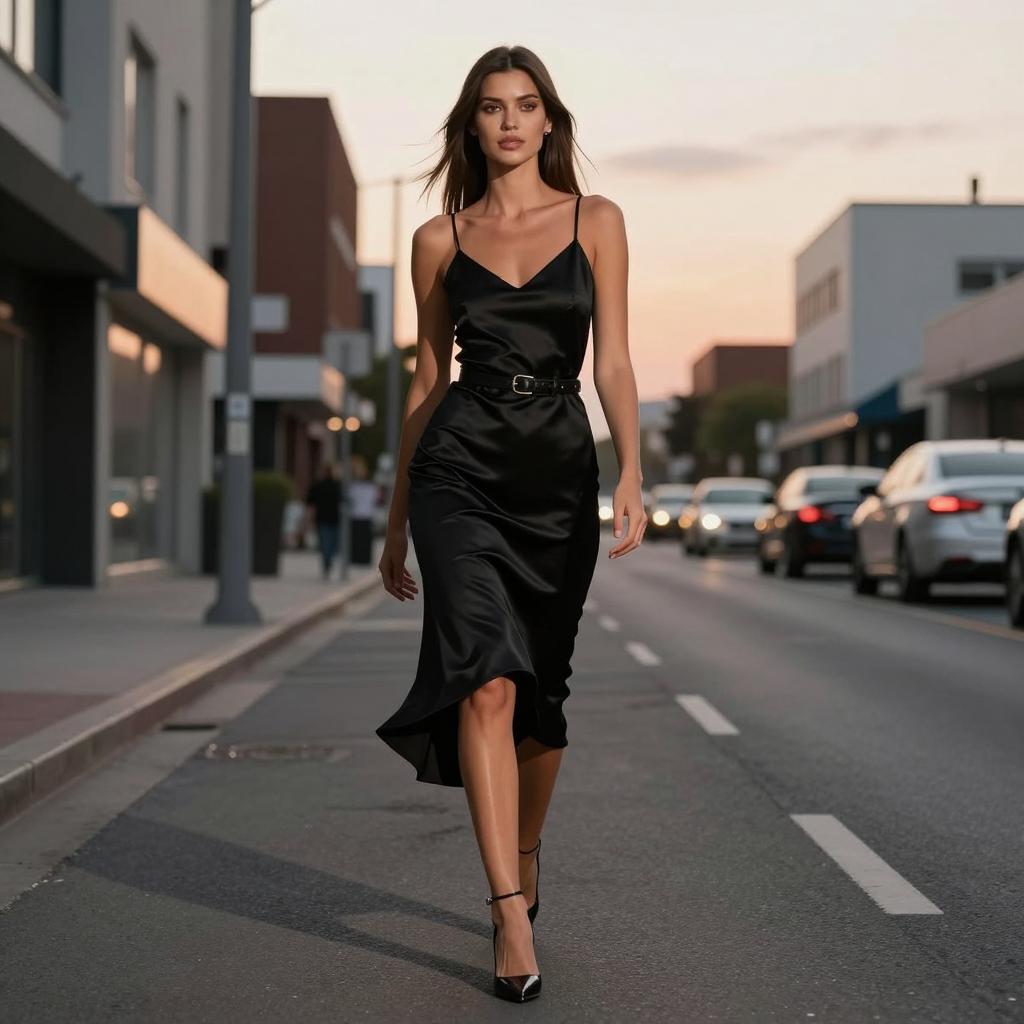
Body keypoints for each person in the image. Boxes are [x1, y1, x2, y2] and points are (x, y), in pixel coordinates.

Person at [375, 45, 646, 1004]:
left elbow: (611, 361)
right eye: (493, 108)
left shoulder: (598, 221)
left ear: (548, 120)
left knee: (544, 696)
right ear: (474, 123)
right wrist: (398, 515)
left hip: (558, 472)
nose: (510, 123)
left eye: (526, 106)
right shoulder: (438, 240)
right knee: (484, 681)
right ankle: (506, 910)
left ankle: (527, 850)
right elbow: (424, 382)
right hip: (460, 465)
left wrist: (633, 475)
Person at [305, 461, 342, 579]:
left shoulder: (318, 485)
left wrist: (310, 519)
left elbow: (310, 504)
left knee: (326, 543)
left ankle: (327, 561)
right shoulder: (336, 485)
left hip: (324, 519)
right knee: (330, 543)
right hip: (333, 519)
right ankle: (328, 561)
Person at [347, 454, 378, 565]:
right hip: (365, 516)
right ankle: (364, 559)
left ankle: (357, 558)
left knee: (357, 540)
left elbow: (349, 498)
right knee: (364, 541)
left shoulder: (354, 486)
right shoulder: (371, 487)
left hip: (357, 515)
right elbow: (376, 499)